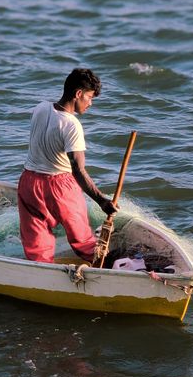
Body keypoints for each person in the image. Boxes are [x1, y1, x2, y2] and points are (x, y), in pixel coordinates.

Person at [17, 68, 118, 263]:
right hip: (59, 186)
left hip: (29, 182)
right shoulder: (72, 125)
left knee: (36, 244)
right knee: (83, 239)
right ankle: (104, 269)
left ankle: (41, 272)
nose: (90, 103)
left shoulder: (40, 107)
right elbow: (78, 170)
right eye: (89, 97)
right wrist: (102, 200)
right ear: (78, 94)